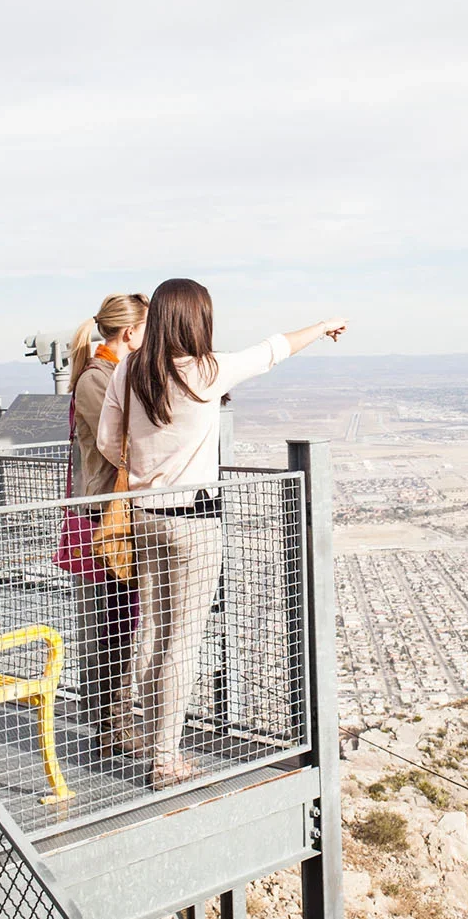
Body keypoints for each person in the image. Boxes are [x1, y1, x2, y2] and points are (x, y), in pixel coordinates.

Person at [97, 278, 345, 788]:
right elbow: (272, 350)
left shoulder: (128, 370)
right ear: (197, 319)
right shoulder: (206, 371)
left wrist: (146, 468)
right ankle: (164, 759)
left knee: (152, 629)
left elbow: (105, 441)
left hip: (144, 514)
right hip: (194, 521)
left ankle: (134, 728)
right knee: (182, 643)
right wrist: (321, 327)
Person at [67, 293, 148, 751]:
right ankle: (111, 727)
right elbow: (115, 445)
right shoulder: (98, 380)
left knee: (119, 620)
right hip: (104, 515)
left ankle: (115, 723)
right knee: (110, 623)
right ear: (131, 332)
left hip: (116, 513)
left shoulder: (109, 375)